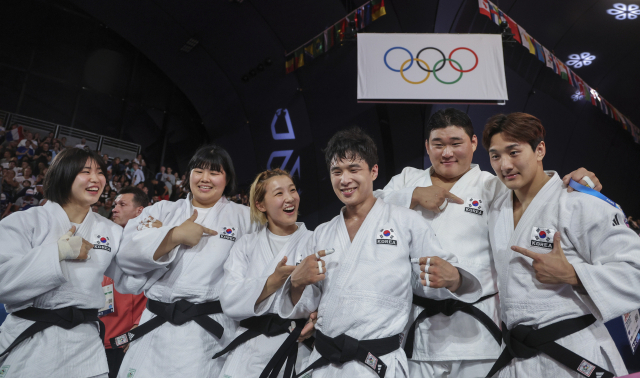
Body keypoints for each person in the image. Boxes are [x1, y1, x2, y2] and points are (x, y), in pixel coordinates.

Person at [374, 108, 602, 378]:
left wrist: (580, 178)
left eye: (456, 143)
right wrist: (411, 195)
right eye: (438, 144)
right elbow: (365, 212)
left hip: (479, 332)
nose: (446, 153)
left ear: (472, 144)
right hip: (417, 332)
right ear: (427, 146)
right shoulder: (406, 180)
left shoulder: (493, 185)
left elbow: (539, 189)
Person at [277, 127, 483, 378]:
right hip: (325, 363)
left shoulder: (406, 222)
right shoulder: (322, 232)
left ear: (374, 171)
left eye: (354, 169)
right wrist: (296, 283)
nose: (344, 179)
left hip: (377, 363)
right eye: (337, 171)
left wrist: (456, 279)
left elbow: (437, 278)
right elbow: (307, 305)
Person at [483, 112, 640, 377]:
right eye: (495, 155)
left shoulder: (579, 201)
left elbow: (635, 271)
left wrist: (573, 275)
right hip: (518, 357)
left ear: (539, 149)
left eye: (514, 152)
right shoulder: (496, 208)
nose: (505, 165)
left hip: (574, 351)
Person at [114, 144, 257, 378]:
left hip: (205, 333)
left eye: (214, 172)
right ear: (189, 174)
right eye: (199, 170)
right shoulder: (161, 211)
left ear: (227, 178)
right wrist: (173, 236)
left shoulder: (245, 218)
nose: (205, 178)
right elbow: (127, 257)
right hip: (155, 326)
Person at [0, 148, 142, 378]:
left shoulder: (111, 231)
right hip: (30, 338)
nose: (96, 178)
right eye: (86, 172)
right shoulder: (25, 221)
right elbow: (2, 281)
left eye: (99, 172)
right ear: (64, 175)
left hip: (84, 345)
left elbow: (132, 281)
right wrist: (58, 252)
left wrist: (159, 243)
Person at [218, 169, 314, 378]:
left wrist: (314, 315)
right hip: (248, 351)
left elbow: (325, 298)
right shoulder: (246, 244)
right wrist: (273, 281)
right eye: (279, 193)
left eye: (292, 190)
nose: (290, 198)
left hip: (296, 350)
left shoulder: (315, 241)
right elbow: (229, 299)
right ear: (261, 205)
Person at [102, 187, 150, 378]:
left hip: (126, 338)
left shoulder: (150, 245)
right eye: (115, 204)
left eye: (122, 204)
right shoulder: (104, 238)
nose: (114, 208)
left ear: (139, 211)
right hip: (98, 332)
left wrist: (140, 326)